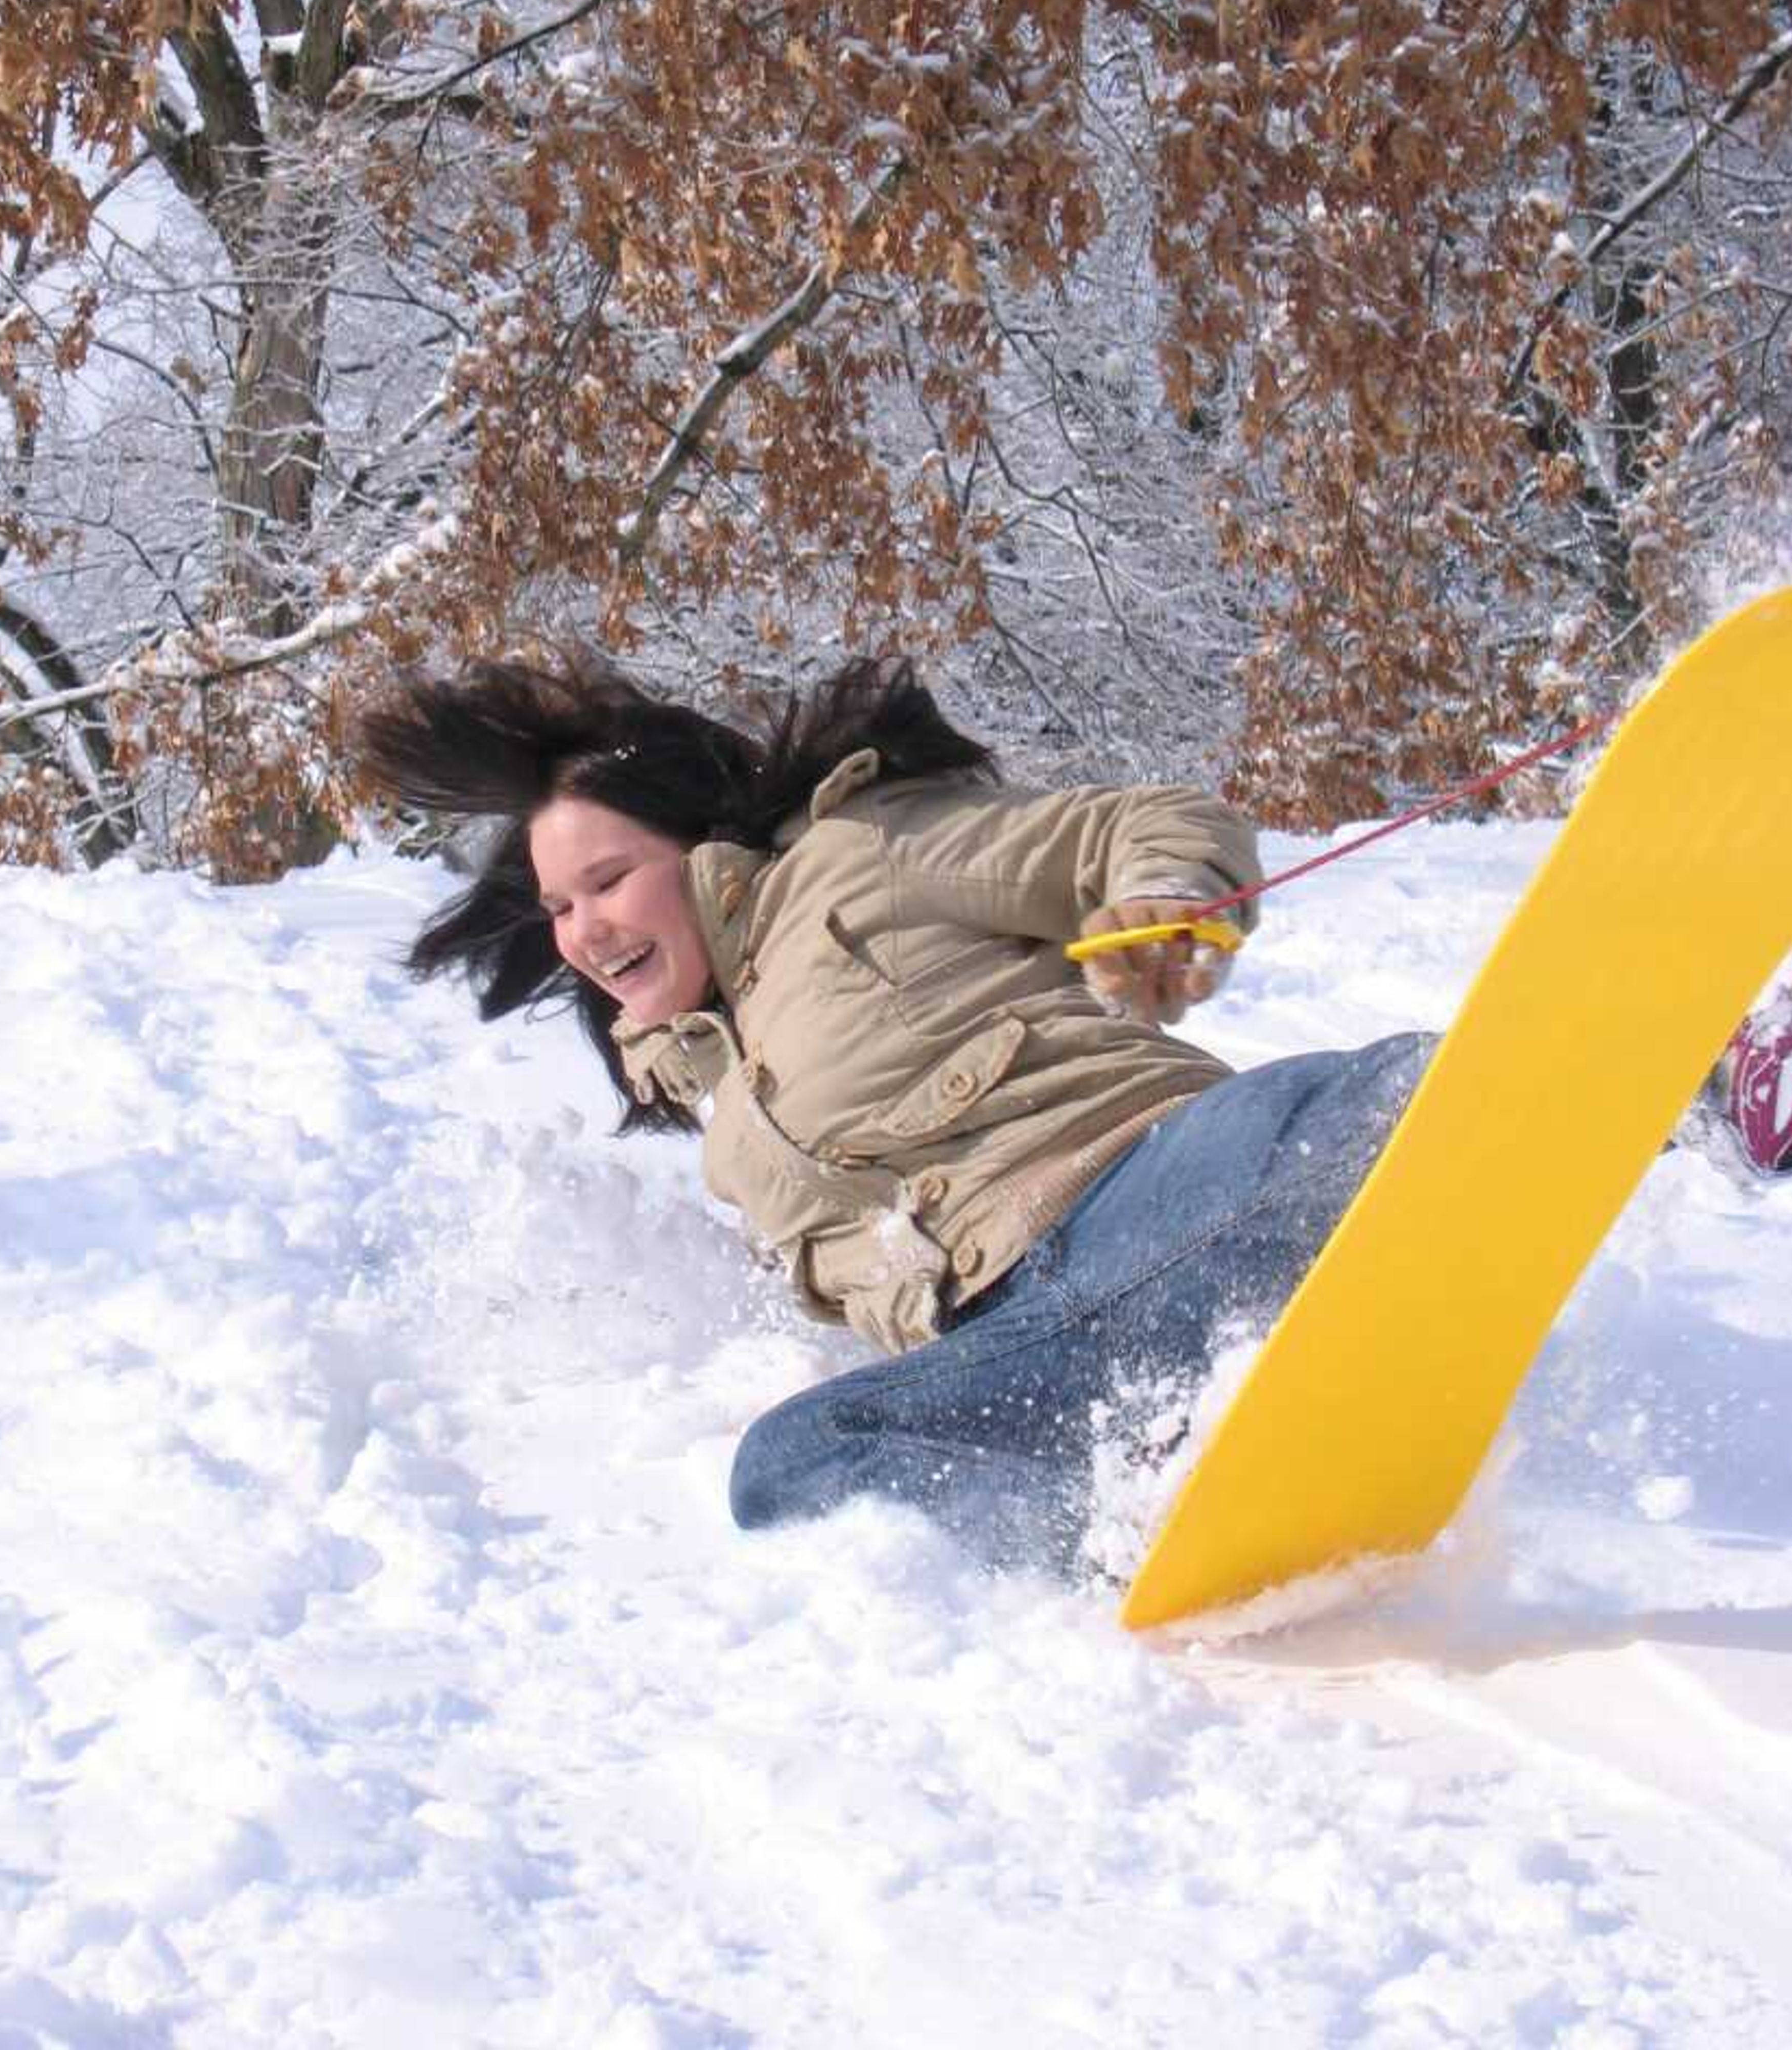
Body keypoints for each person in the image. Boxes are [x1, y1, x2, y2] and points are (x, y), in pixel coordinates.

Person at [363, 652, 1439, 1576]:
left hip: (1148, 1190)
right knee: (794, 1464)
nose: (584, 929)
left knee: (1346, 1113)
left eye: (608, 880)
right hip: (1032, 1348)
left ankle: (1449, 1119)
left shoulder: (857, 860)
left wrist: (1162, 903)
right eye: (558, 906)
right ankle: (1129, 1522)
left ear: (699, 851)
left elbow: (1145, 823)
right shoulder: (713, 1089)